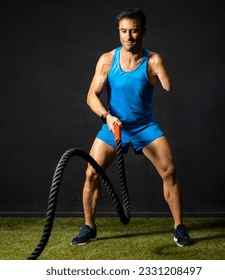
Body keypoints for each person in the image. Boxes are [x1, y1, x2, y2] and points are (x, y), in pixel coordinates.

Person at [71, 8, 192, 247]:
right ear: (119, 32)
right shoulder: (107, 60)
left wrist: (163, 77)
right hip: (114, 125)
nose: (129, 37)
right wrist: (106, 116)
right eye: (124, 31)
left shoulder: (153, 60)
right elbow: (91, 96)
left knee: (169, 171)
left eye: (134, 31)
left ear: (143, 31)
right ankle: (89, 227)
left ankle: (179, 227)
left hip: (145, 126)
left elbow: (169, 86)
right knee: (91, 173)